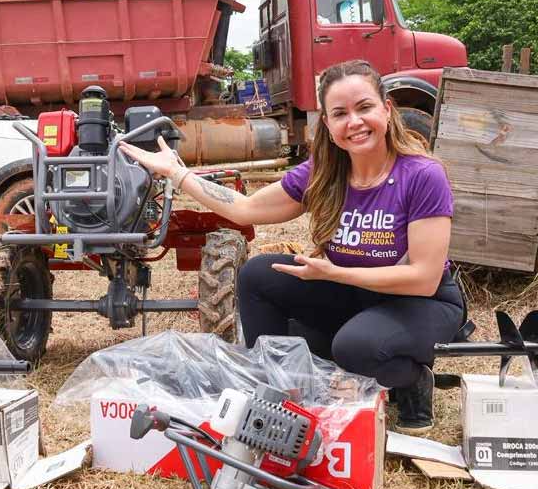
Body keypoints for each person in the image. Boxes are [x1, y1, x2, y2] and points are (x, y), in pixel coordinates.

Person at [119, 59, 464, 435]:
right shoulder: (324, 174)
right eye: (340, 114)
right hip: (356, 297)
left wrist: (335, 273)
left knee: (353, 348)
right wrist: (177, 173)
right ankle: (279, 395)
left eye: (364, 107)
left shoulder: (422, 175)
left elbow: (423, 278)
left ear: (387, 108)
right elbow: (245, 209)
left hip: (419, 303)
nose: (354, 122)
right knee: (258, 276)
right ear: (327, 124)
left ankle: (411, 379)